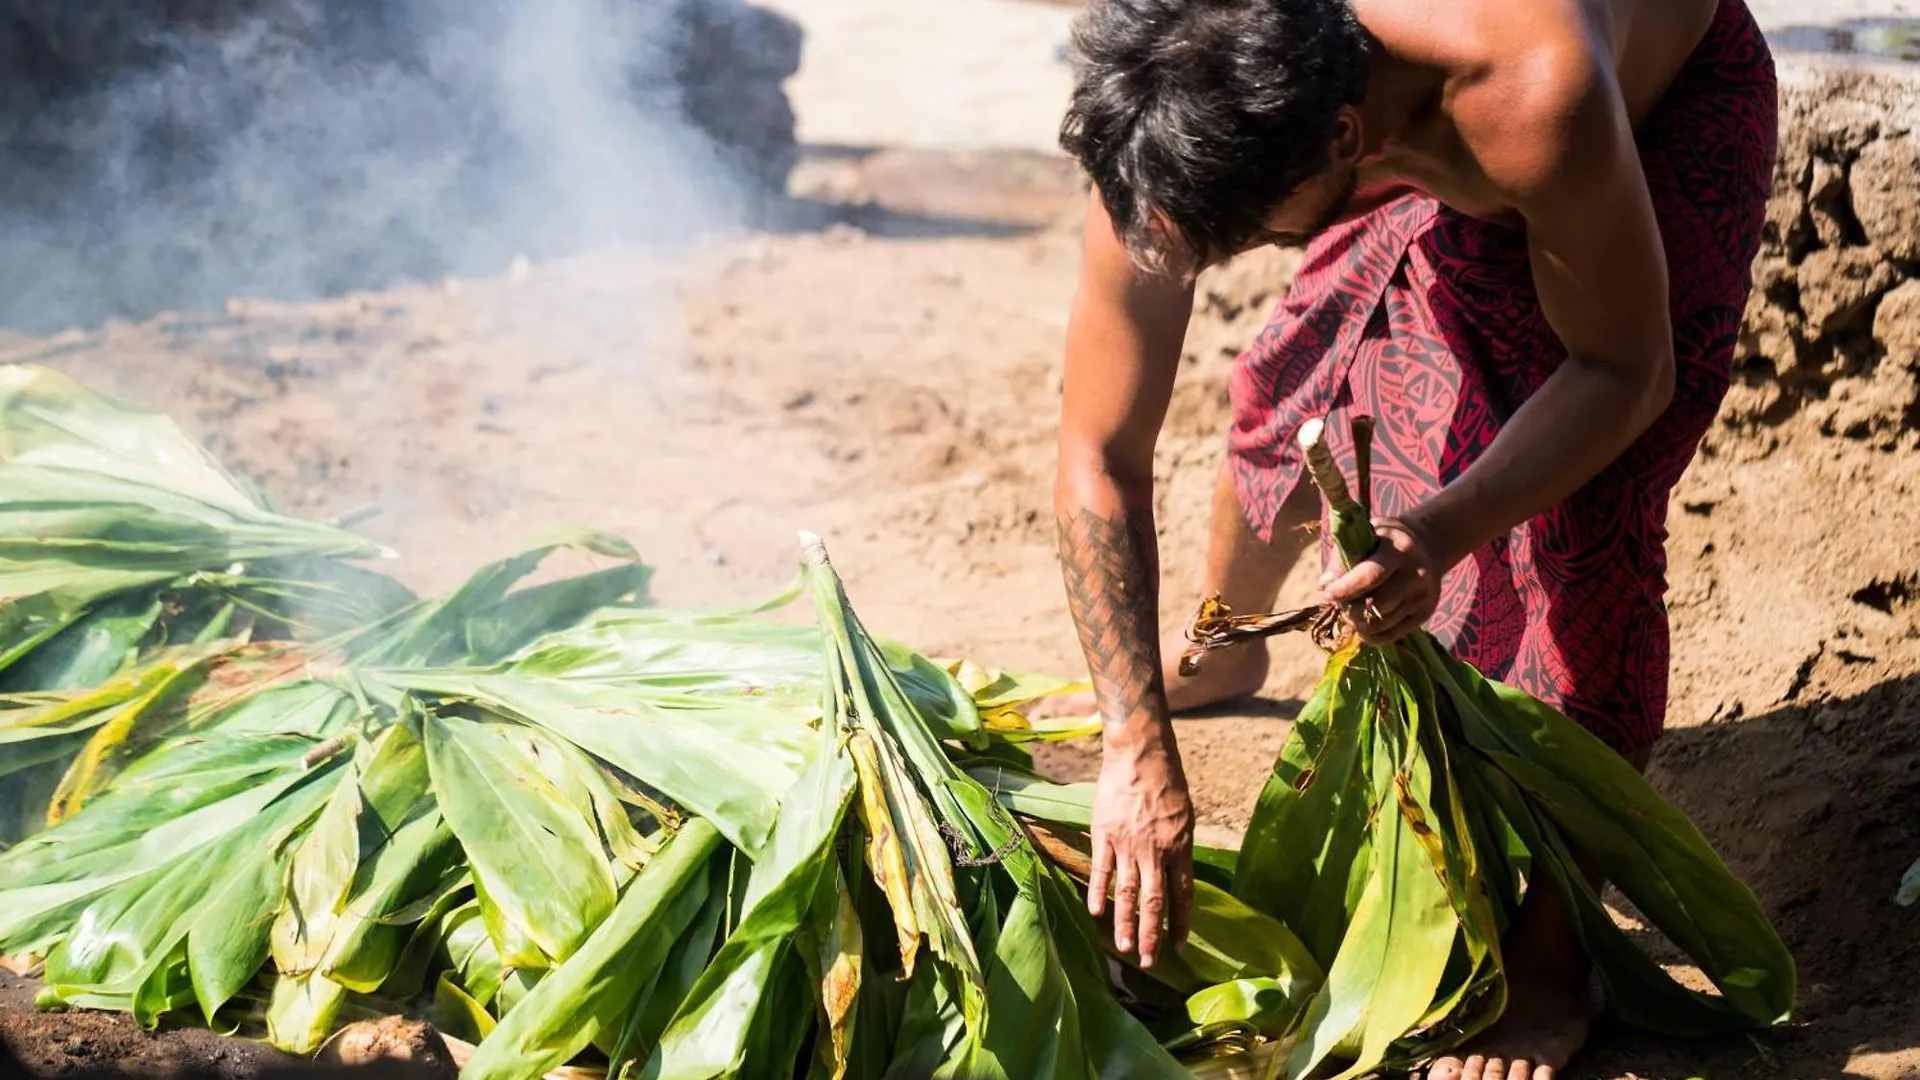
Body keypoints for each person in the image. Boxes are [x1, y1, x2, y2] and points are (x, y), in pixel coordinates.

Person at [1048, 0, 1778, 1075]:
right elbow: (1098, 453)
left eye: (1247, 232)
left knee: (1577, 533)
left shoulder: (1529, 88)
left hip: (1648, 121)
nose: (1229, 257)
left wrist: (1438, 532)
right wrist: (1131, 741)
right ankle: (1229, 636)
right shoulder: (1185, 88)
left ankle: (1548, 956)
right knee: (1298, 374)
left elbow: (1627, 370)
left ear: (1349, 141)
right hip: (1399, 125)